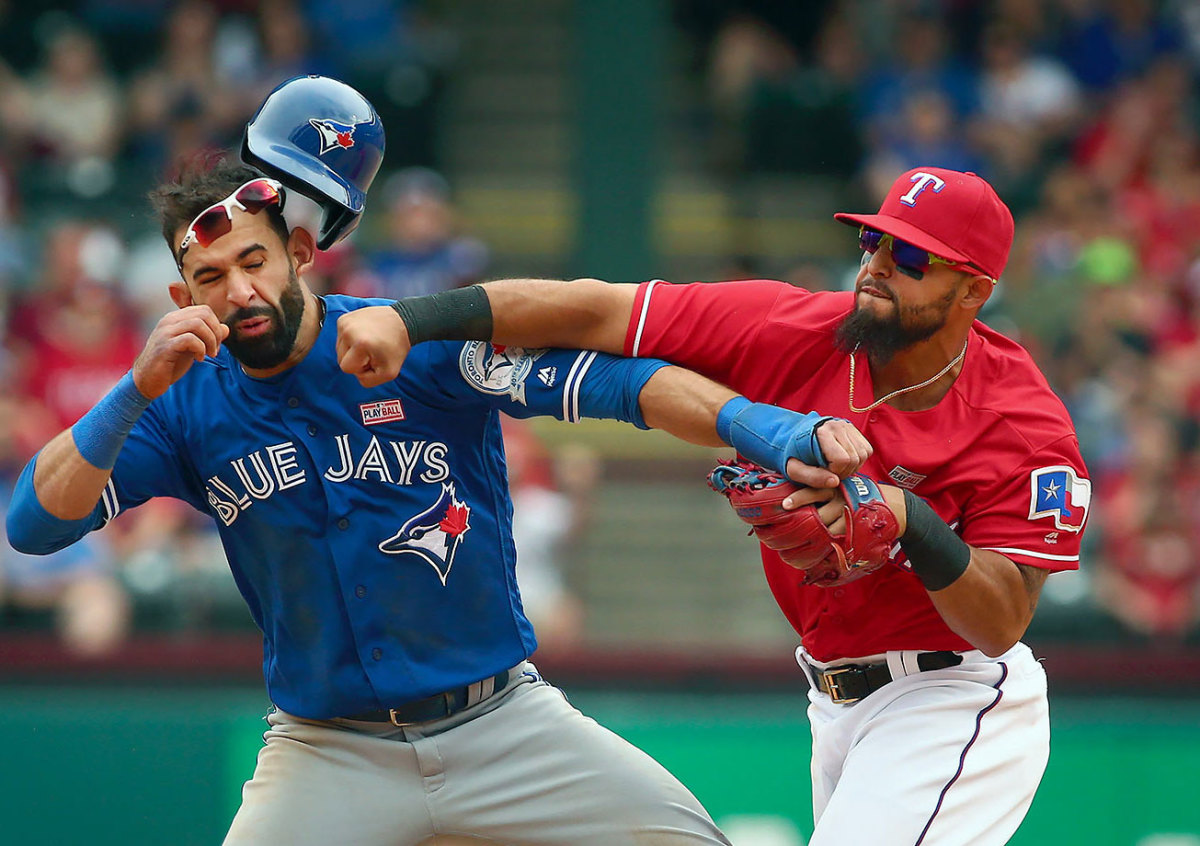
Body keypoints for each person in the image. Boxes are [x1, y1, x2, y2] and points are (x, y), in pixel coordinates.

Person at [6, 76, 872, 846]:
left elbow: (625, 388)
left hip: (503, 724)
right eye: (207, 277)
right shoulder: (180, 405)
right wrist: (133, 388)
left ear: (300, 255)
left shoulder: (407, 340)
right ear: (179, 297)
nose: (236, 291)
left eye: (254, 260)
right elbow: (35, 525)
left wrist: (775, 433)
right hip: (325, 748)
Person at [336, 166, 1092, 845]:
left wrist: (909, 519)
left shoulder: (1022, 422)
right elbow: (595, 311)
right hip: (834, 701)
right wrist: (412, 319)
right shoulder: (793, 328)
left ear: (974, 290)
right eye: (873, 242)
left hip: (953, 696)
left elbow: (1000, 623)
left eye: (913, 258)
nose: (879, 267)